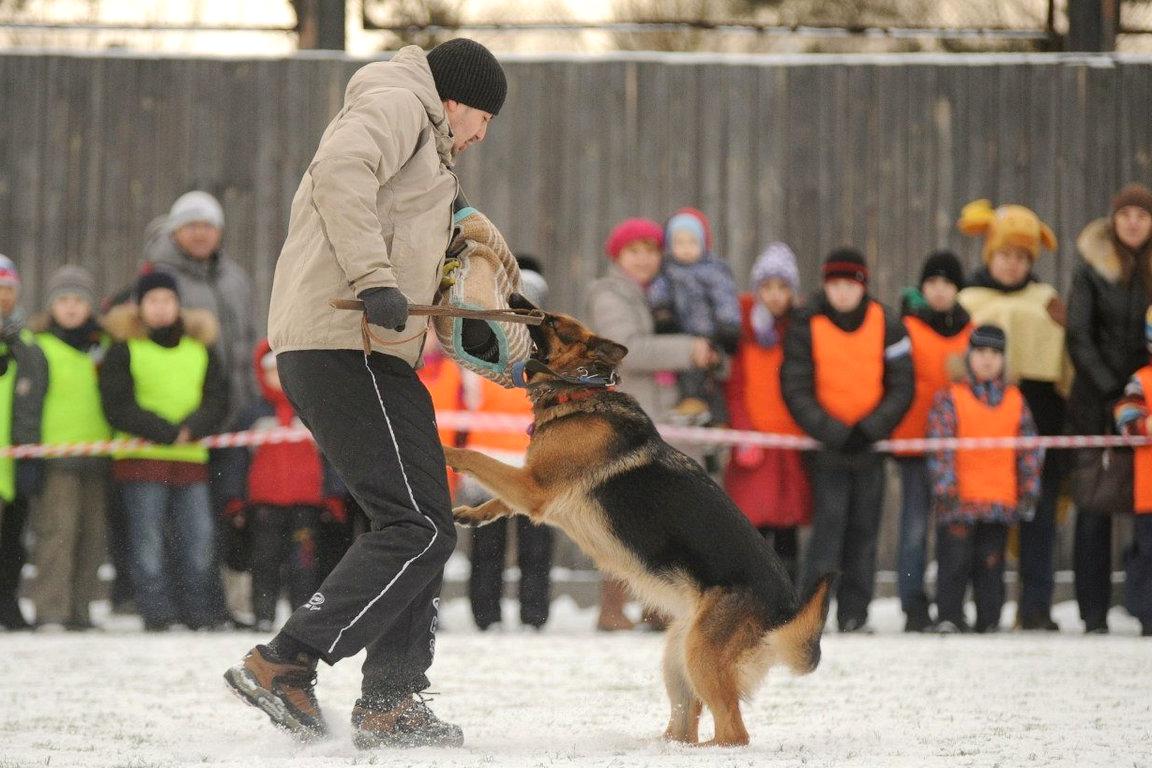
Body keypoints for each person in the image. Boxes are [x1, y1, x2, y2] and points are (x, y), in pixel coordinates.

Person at [226, 39, 506, 749]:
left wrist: (476, 261)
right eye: (485, 120)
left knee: (422, 520)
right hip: (340, 340)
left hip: (374, 350)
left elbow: (430, 232)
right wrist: (373, 278)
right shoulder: (395, 102)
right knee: (416, 526)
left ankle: (392, 699)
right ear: (458, 103)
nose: (481, 137)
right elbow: (341, 173)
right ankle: (285, 660)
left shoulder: (431, 154)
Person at [584, 218, 717, 632]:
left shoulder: (659, 293)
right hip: (626, 417)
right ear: (617, 255)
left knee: (660, 515)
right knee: (624, 516)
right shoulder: (608, 293)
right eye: (634, 251)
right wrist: (689, 349)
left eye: (651, 250)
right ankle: (613, 607)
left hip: (659, 415)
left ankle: (657, 607)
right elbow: (625, 350)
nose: (645, 259)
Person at [782, 248, 914, 633]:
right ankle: (812, 614)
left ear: (863, 286)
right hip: (827, 449)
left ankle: (855, 613)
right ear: (825, 285)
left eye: (849, 284)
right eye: (834, 284)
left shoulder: (887, 323)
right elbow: (795, 387)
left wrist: (871, 429)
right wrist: (833, 431)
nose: (842, 293)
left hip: (869, 448)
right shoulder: (806, 324)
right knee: (827, 531)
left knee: (864, 532)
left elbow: (902, 385)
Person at [957, 200, 1066, 631]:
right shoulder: (968, 300)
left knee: (1039, 524)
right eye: (1005, 255)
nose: (1012, 264)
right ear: (990, 255)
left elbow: (1065, 365)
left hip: (1041, 425)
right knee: (982, 533)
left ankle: (1036, 606)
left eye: (1022, 257)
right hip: (981, 437)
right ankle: (969, 607)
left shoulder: (1047, 301)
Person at [99, 272, 230, 631]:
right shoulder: (124, 348)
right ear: (139, 307)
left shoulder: (199, 348)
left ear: (178, 305)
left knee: (199, 539)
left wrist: (193, 428)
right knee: (147, 540)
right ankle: (156, 612)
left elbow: (218, 397)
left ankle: (198, 612)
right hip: (141, 462)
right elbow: (116, 404)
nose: (160, 308)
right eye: (152, 301)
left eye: (166, 300)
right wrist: (163, 430)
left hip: (190, 461)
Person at [1067, 183, 1152, 634]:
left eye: (1142, 214)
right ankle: (1093, 612)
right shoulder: (1090, 271)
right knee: (1095, 510)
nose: (1134, 222)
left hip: (1148, 408)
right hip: (1097, 406)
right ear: (1113, 221)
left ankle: (1146, 610)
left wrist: (1142, 392)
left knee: (1148, 515)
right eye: (1126, 215)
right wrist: (1114, 391)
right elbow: (1078, 335)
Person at [926, 325, 1043, 633]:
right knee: (953, 564)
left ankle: (989, 620)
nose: (987, 360)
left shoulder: (1017, 400)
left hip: (998, 503)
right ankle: (949, 617)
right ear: (969, 356)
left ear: (1004, 360)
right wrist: (945, 488)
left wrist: (1028, 492)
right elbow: (940, 448)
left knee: (991, 566)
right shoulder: (950, 398)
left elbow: (1029, 452)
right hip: (958, 502)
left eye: (994, 353)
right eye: (980, 352)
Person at [223, 341, 345, 633]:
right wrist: (234, 499)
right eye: (271, 371)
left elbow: (332, 456)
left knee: (303, 564)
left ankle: (301, 618)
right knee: (264, 561)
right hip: (264, 506)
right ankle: (262, 614)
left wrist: (334, 495)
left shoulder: (314, 411)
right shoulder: (252, 415)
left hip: (307, 505)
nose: (278, 377)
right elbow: (236, 460)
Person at [464, 258, 552, 631]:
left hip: (536, 463)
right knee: (487, 543)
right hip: (489, 462)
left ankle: (534, 615)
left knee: (535, 545)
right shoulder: (480, 341)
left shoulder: (551, 347)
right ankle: (487, 617)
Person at [890, 251, 973, 632]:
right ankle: (912, 606)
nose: (939, 291)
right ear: (923, 288)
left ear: (958, 289)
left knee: (952, 531)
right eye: (932, 283)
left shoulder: (970, 331)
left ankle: (951, 606)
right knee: (913, 530)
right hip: (913, 443)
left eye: (947, 284)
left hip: (957, 449)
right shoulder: (905, 327)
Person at [28, 266, 112, 631]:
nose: (71, 307)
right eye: (63, 300)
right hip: (56, 456)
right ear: (51, 306)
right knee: (56, 535)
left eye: (78, 300)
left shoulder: (104, 347)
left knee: (91, 537)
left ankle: (80, 610)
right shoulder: (39, 346)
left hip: (98, 454)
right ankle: (51, 610)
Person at [723, 243, 811, 584]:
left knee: (787, 528)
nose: (775, 296)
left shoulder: (799, 330)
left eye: (783, 287)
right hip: (754, 445)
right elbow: (735, 387)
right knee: (752, 528)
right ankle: (753, 598)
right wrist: (742, 431)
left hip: (789, 444)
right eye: (768, 287)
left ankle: (787, 597)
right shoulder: (743, 329)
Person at [144, 191, 258, 424]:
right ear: (174, 231)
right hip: (189, 411)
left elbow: (251, 336)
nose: (200, 234)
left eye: (208, 226)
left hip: (242, 404)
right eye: (191, 226)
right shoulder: (160, 279)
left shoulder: (236, 279)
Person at [647, 208, 742, 425]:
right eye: (679, 243)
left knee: (709, 372)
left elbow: (725, 297)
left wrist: (729, 324)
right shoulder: (667, 271)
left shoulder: (713, 271)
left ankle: (717, 418)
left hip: (709, 329)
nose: (686, 249)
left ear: (703, 244)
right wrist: (661, 312)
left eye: (692, 242)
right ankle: (692, 406)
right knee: (685, 371)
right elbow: (658, 291)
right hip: (680, 330)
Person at [0, 255, 47, 631]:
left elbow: (36, 397)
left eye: (9, 290)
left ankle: (9, 605)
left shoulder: (28, 343)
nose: (3, 297)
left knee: (13, 542)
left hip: (15, 461)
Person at [1113, 306, 1152, 637]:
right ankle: (1146, 615)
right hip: (1149, 493)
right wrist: (1144, 423)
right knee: (1148, 553)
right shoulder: (1141, 380)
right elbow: (1125, 418)